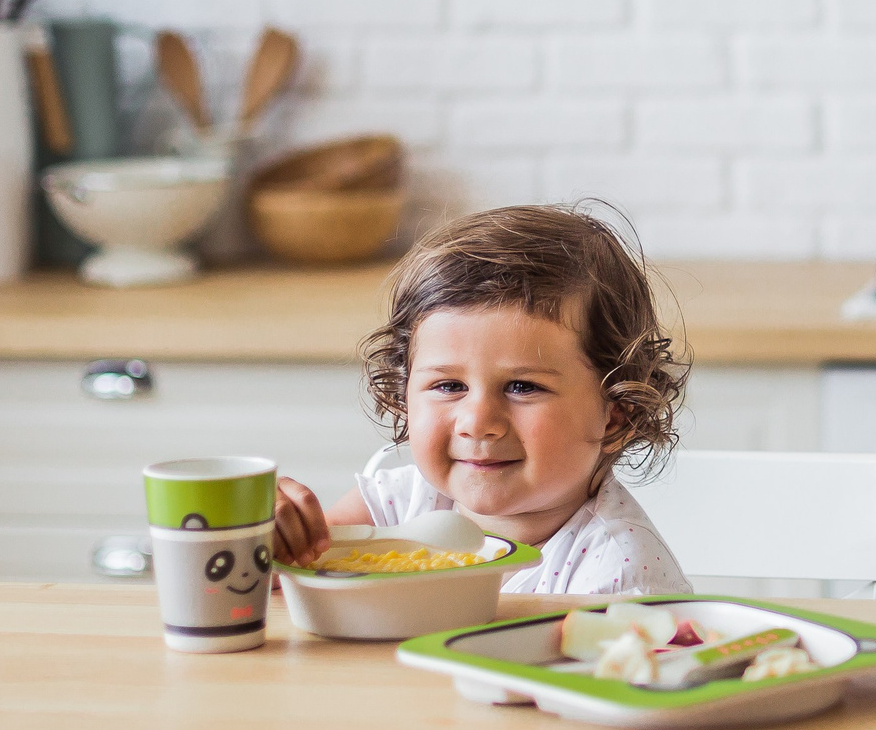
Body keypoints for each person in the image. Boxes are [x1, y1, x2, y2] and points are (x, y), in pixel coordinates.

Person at [271, 202, 691, 597]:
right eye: (449, 386)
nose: (478, 421)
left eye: (522, 387)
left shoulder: (617, 575)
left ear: (616, 415)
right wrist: (262, 537)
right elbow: (281, 583)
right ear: (403, 393)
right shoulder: (395, 507)